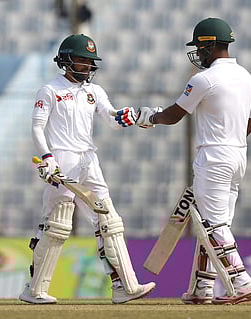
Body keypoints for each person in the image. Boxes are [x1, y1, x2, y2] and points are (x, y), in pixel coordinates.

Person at [18, 34, 155, 304]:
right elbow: (37, 127)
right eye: (82, 60)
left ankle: (124, 287)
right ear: (67, 60)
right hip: (62, 160)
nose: (88, 66)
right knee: (57, 225)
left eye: (91, 61)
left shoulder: (95, 91)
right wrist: (47, 158)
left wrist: (136, 116)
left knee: (109, 220)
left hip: (89, 160)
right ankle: (34, 291)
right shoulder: (50, 89)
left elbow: (113, 119)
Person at [135, 18, 251, 305]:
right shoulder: (246, 76)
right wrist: (231, 140)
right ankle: (202, 289)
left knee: (213, 224)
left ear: (210, 45)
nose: (198, 54)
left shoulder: (204, 79)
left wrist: (148, 117)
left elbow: (174, 114)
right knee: (213, 224)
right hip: (238, 155)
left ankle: (241, 283)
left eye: (200, 47)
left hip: (214, 156)